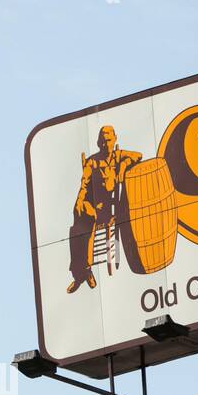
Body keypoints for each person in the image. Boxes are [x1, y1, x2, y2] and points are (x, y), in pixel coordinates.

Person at [66, 125, 142, 294]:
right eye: (103, 140)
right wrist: (80, 201)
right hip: (94, 206)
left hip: (110, 210)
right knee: (76, 227)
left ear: (114, 139)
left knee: (87, 225)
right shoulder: (92, 161)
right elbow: (84, 184)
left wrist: (123, 166)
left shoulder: (118, 156)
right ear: (98, 142)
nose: (106, 144)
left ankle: (84, 272)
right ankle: (81, 272)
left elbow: (138, 156)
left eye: (109, 140)